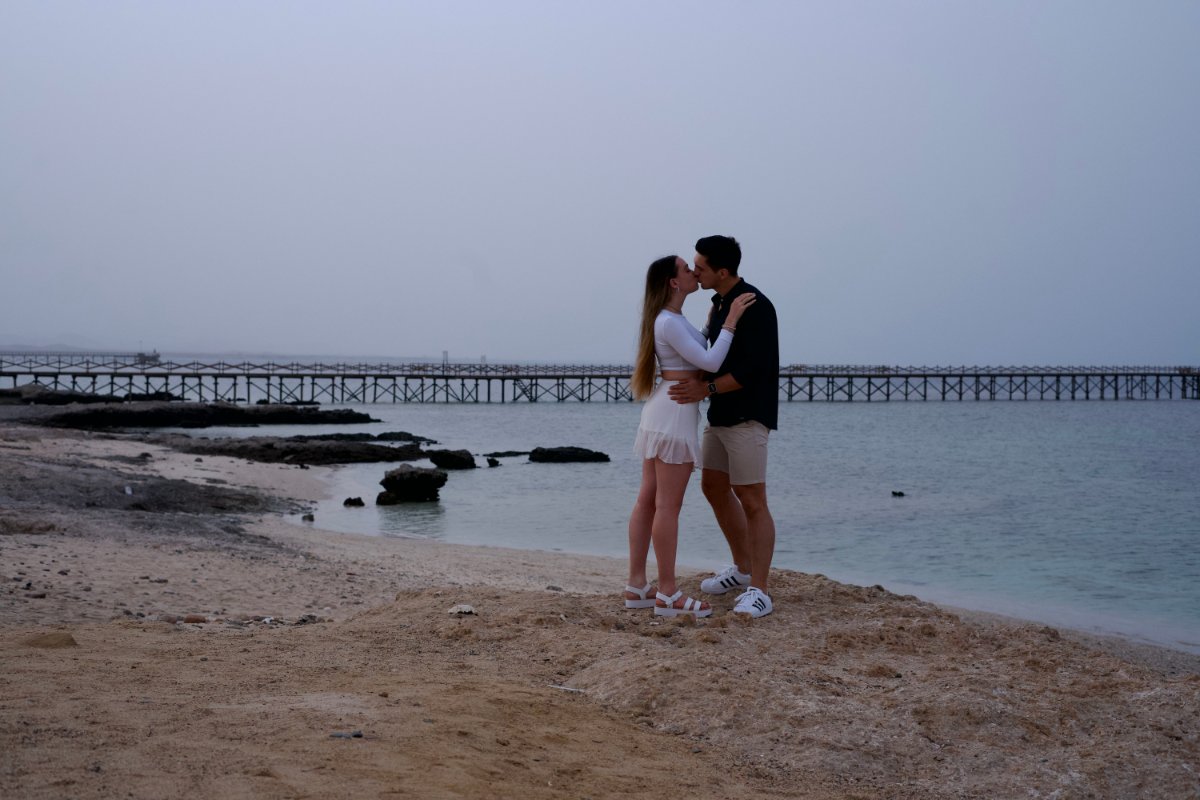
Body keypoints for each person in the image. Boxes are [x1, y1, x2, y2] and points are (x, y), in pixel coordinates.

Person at [625, 254, 755, 617]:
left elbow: (695, 353)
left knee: (648, 501)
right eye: (686, 269)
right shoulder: (669, 322)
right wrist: (730, 321)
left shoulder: (671, 319)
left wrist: (712, 323)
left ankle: (637, 585)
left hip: (664, 409)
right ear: (673, 282)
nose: (693, 272)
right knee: (666, 506)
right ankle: (668, 593)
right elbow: (711, 363)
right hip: (674, 414)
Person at [667, 235, 779, 618]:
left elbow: (753, 370)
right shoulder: (718, 304)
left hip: (749, 415)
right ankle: (743, 569)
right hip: (720, 414)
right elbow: (710, 355)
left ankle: (760, 590)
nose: (695, 272)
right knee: (713, 486)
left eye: (701, 267)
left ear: (723, 271)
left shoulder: (755, 305)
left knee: (753, 499)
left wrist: (706, 389)